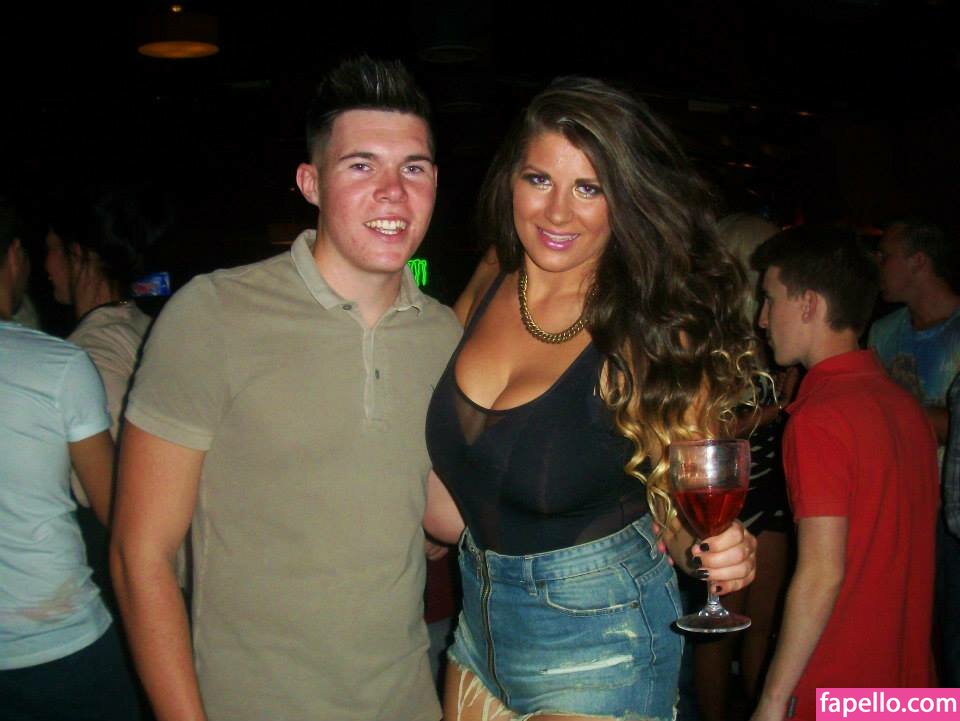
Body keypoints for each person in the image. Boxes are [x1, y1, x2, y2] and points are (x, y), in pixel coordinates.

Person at [110, 57, 462, 721]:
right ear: (311, 182)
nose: (393, 192)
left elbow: (443, 511)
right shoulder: (213, 314)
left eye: (413, 168)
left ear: (435, 183)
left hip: (406, 701)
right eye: (361, 166)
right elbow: (140, 554)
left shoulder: (443, 333)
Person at [424, 77, 759, 721]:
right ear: (510, 181)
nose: (556, 213)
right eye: (539, 179)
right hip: (478, 627)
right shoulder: (493, 274)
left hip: (601, 639)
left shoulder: (651, 326)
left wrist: (713, 549)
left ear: (624, 199)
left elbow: (681, 511)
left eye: (589, 188)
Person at [750, 226, 938, 721]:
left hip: (836, 686)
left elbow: (821, 573)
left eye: (770, 299)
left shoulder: (820, 418)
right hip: (912, 686)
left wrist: (772, 700)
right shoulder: (905, 406)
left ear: (808, 304)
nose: (762, 318)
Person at [0, 197, 141, 720]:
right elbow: (117, 510)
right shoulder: (61, 361)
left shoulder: (87, 349)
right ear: (13, 257)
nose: (43, 266)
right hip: (61, 638)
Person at [694, 213, 794, 721]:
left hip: (773, 485)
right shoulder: (712, 342)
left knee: (761, 625)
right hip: (727, 489)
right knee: (720, 630)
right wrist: (778, 410)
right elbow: (707, 432)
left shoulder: (776, 334)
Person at [866, 217, 960, 685]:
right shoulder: (882, 333)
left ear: (918, 261)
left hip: (953, 517)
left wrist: (899, 415)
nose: (876, 265)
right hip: (897, 509)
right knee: (904, 643)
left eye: (886, 256)